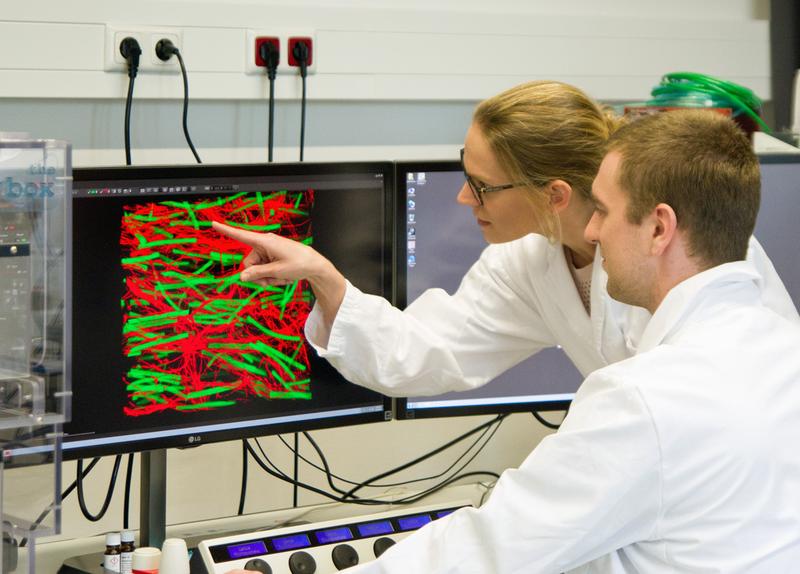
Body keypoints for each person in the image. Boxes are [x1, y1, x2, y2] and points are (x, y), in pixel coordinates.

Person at [346, 110, 800, 572]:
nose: (591, 231)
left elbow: (489, 551)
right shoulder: (784, 350)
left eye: (602, 210)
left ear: (660, 229)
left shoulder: (642, 400)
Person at [212, 81, 797, 401]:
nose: (465, 201)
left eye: (482, 186)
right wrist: (325, 278)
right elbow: (428, 353)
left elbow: (740, 408)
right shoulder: (531, 261)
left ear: (555, 194)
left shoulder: (685, 251)